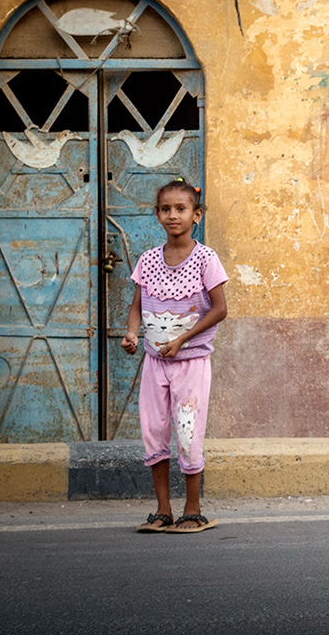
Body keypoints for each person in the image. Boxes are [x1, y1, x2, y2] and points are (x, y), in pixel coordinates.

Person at [122, 179, 228, 533]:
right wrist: (132, 334)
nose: (173, 215)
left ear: (196, 215)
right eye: (165, 209)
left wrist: (182, 339)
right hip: (155, 363)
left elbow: (220, 309)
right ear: (157, 215)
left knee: (187, 432)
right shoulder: (148, 260)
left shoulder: (205, 258)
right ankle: (163, 509)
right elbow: (136, 306)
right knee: (154, 432)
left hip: (191, 362)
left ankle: (193, 509)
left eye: (181, 209)